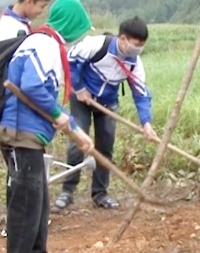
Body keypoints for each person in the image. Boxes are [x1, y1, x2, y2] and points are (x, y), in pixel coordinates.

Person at [0, 0, 94, 253]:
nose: (79, 39)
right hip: (19, 133)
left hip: (33, 135)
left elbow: (48, 97)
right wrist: (61, 118)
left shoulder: (47, 44)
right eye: (79, 30)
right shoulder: (44, 43)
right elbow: (31, 87)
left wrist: (77, 130)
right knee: (26, 202)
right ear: (71, 24)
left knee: (39, 201)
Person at [53, 16, 159, 211]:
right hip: (82, 98)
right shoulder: (96, 45)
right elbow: (70, 61)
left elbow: (141, 95)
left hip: (108, 104)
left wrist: (147, 123)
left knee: (105, 148)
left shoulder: (134, 64)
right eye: (135, 45)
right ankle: (67, 191)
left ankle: (100, 194)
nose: (137, 51)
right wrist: (79, 87)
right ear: (123, 39)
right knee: (78, 142)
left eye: (141, 47)